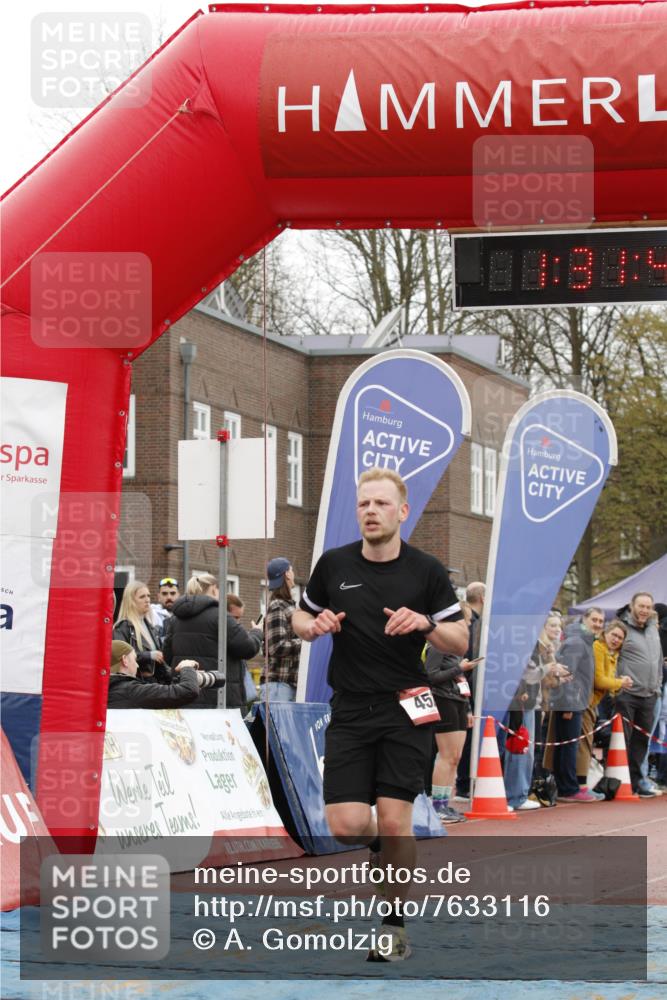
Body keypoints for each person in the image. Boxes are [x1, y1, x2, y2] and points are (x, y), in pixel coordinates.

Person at [292, 469, 467, 962]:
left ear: (402, 512)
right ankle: (377, 849)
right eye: (364, 503)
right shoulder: (334, 564)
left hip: (407, 705)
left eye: (382, 504)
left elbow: (460, 640)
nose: (371, 511)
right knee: (346, 824)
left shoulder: (426, 571)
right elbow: (300, 614)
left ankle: (393, 928)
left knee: (395, 823)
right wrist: (313, 625)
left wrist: (427, 622)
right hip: (349, 706)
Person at [164, 573, 263, 708]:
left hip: (184, 696)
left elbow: (168, 657)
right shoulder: (220, 616)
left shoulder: (175, 619)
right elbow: (248, 648)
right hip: (219, 697)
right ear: (214, 589)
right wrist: (257, 632)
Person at [424, 601, 473, 824]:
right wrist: (459, 668)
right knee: (445, 756)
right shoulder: (437, 645)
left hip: (458, 700)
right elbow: (430, 676)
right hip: (443, 699)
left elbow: (460, 679)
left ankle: (445, 803)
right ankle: (436, 805)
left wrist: (468, 707)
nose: (469, 625)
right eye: (467, 620)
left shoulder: (455, 648)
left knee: (455, 757)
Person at [547, 608, 602, 803]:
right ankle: (568, 788)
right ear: (584, 619)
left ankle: (565, 786)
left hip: (576, 700)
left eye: (600, 621)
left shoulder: (584, 641)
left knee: (566, 745)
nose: (597, 624)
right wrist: (569, 704)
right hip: (571, 702)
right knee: (568, 745)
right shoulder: (577, 642)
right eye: (594, 619)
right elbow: (566, 673)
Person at [615, 592, 663, 796]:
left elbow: (658, 659)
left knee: (641, 742)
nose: (644, 610)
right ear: (631, 606)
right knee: (621, 739)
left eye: (648, 607)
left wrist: (657, 686)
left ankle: (636, 782)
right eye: (641, 606)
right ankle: (617, 781)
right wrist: (617, 684)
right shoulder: (621, 627)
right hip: (627, 694)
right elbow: (613, 655)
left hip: (650, 695)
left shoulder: (653, 628)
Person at [576, 619, 631, 780]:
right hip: (583, 701)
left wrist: (620, 684)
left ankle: (581, 783)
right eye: (614, 635)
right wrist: (621, 682)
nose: (616, 640)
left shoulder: (612, 654)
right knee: (584, 744)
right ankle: (580, 784)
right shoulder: (598, 648)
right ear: (605, 633)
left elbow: (609, 683)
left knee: (587, 743)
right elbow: (599, 680)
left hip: (593, 703)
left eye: (620, 638)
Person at [454, 581, 485, 801]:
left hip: (465, 688)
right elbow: (465, 659)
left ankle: (463, 784)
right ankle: (463, 785)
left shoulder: (478, 622)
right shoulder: (474, 624)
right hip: (463, 689)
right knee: (458, 745)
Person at [107, 640, 201, 709]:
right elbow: (187, 691)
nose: (137, 665)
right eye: (134, 660)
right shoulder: (131, 690)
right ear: (125, 660)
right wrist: (187, 668)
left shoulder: (103, 690)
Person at [259, 557, 302, 702]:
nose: (293, 573)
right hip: (278, 685)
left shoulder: (287, 605)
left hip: (285, 684)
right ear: (287, 574)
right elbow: (276, 647)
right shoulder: (278, 606)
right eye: (291, 569)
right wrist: (305, 643)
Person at [113, 581, 169, 682]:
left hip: (153, 683)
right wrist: (150, 655)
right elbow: (122, 657)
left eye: (148, 596)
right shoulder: (123, 627)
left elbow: (161, 662)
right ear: (131, 601)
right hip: (136, 684)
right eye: (142, 597)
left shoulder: (150, 626)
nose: (147, 600)